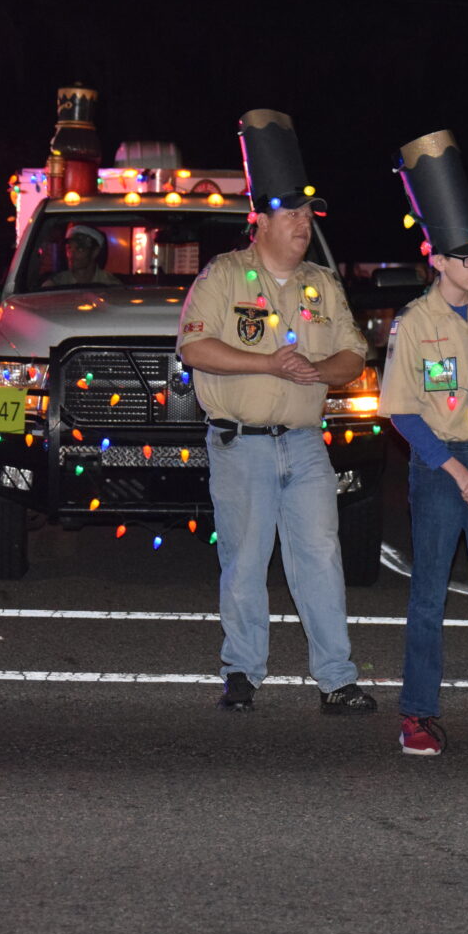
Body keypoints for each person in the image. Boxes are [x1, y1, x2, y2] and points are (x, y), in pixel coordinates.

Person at [177, 109, 376, 715]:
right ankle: (241, 670)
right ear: (258, 221)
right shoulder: (225, 275)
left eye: (306, 214)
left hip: (305, 442)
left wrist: (317, 372)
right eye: (289, 214)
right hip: (243, 444)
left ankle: (336, 679)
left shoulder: (324, 281)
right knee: (245, 558)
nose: (302, 224)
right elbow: (193, 346)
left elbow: (353, 351)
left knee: (320, 554)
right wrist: (269, 364)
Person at [380, 130, 468, 756]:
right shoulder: (414, 322)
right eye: (463, 256)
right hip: (437, 466)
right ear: (437, 259)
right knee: (430, 588)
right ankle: (417, 715)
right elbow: (400, 409)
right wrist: (452, 469)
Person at [43, 224, 119, 287]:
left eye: (79, 249)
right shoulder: (56, 284)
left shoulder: (111, 285)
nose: (71, 255)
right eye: (69, 248)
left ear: (95, 252)